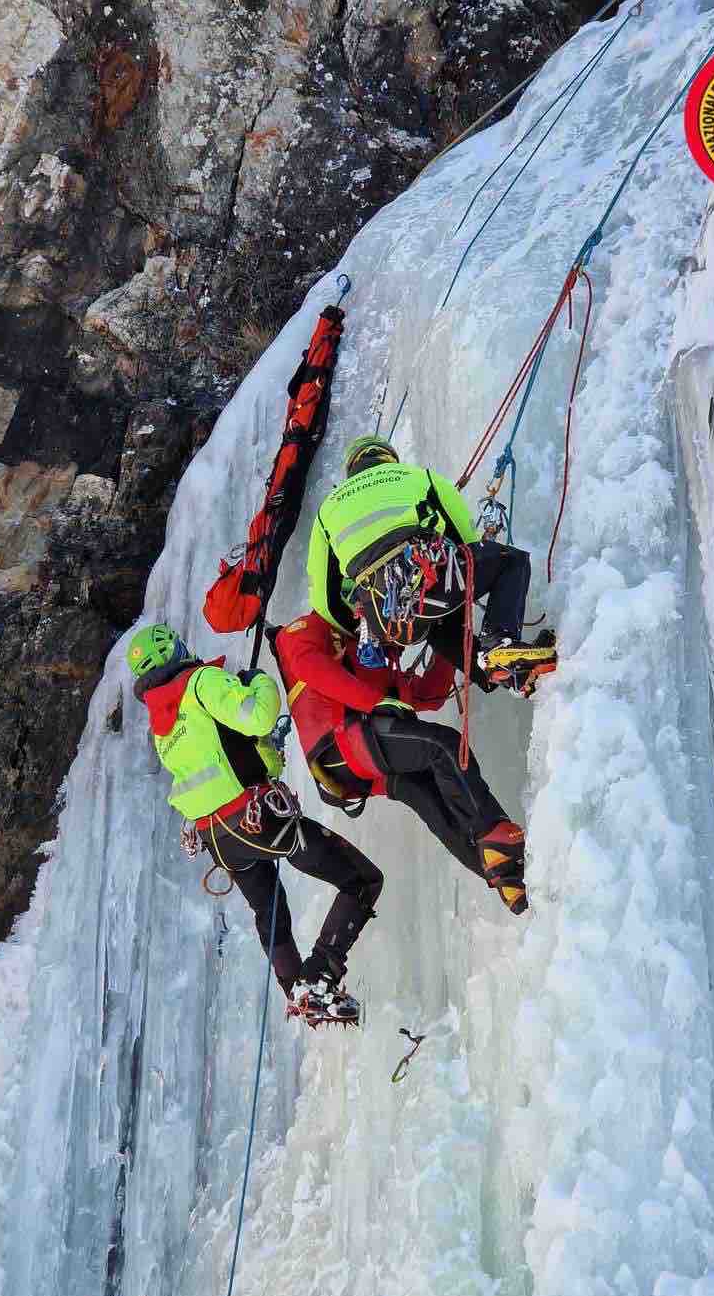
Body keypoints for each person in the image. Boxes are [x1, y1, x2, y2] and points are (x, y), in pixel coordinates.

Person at [128, 622, 383, 1026]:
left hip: (218, 839)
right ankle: (318, 977)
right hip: (255, 819)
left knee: (269, 908)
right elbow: (261, 716)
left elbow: (236, 758)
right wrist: (259, 681)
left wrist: (265, 751)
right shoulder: (201, 682)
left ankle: (299, 993)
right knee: (362, 881)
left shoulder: (163, 725)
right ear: (174, 651)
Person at [270, 610, 529, 914]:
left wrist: (448, 643)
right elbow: (307, 665)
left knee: (427, 795)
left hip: (358, 763)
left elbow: (431, 695)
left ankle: (508, 881)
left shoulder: (384, 664)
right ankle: (493, 832)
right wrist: (375, 702)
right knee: (443, 746)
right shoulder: (311, 629)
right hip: (341, 743)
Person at [306, 435, 556, 697]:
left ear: (352, 468)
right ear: (389, 458)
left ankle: (507, 674)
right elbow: (466, 542)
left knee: (439, 627)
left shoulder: (327, 509)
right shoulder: (417, 476)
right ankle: (498, 643)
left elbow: (323, 601)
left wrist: (357, 632)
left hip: (381, 617)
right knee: (510, 560)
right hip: (424, 581)